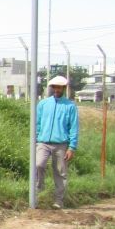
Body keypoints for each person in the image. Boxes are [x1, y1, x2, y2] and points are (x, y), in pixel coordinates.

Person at [35, 74, 79, 209]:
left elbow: (73, 127)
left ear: (63, 88)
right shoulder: (43, 104)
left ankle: (58, 200)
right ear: (52, 88)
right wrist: (35, 139)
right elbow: (38, 123)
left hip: (61, 144)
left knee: (60, 172)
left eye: (59, 87)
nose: (57, 89)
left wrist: (72, 147)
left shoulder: (70, 106)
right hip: (43, 142)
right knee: (39, 165)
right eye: (55, 87)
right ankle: (38, 192)